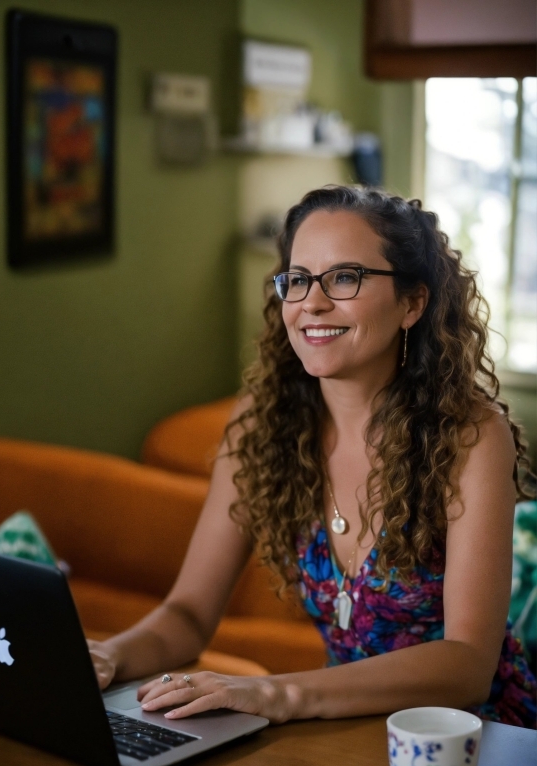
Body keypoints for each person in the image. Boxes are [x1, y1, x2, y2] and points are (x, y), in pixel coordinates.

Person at [88, 186, 536, 728]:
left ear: (413, 303)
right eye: (297, 280)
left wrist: (277, 695)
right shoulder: (263, 423)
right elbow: (188, 614)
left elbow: (468, 664)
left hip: (476, 742)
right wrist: (109, 657)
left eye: (345, 277)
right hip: (345, 733)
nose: (312, 303)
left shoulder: (471, 436)